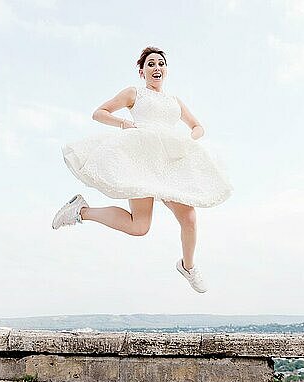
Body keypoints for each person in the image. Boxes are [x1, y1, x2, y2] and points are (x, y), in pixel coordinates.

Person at [52, 46, 232, 293]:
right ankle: (81, 210)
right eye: (151, 64)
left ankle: (187, 267)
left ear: (165, 70)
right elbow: (99, 113)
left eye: (160, 63)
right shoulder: (134, 93)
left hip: (169, 162)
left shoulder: (175, 101)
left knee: (189, 218)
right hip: (141, 159)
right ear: (142, 71)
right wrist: (124, 123)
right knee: (139, 226)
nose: (156, 67)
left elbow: (197, 126)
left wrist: (190, 138)